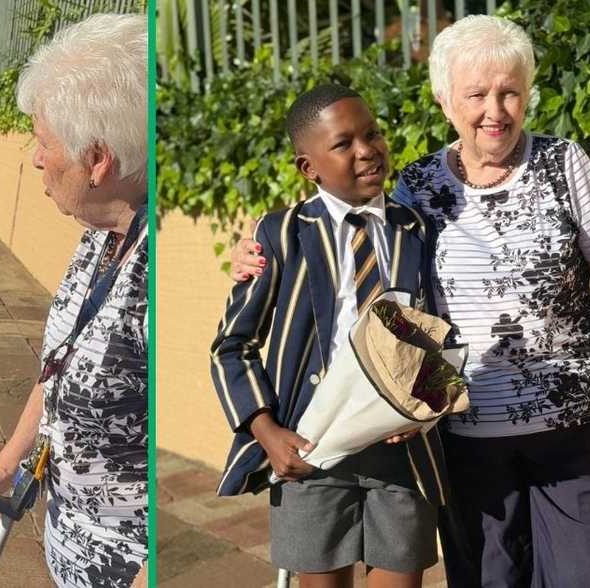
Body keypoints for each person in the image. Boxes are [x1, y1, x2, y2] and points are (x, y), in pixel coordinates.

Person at [230, 15, 590, 587]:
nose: (495, 110)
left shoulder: (564, 164)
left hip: (575, 427)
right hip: (466, 438)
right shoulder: (416, 190)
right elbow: (355, 249)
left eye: (510, 92)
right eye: (476, 94)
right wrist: (258, 245)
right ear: (444, 100)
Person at [212, 84, 447, 588]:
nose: (367, 150)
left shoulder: (417, 230)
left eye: (373, 133)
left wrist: (426, 407)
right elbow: (232, 346)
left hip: (400, 450)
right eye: (343, 144)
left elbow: (440, 331)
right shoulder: (279, 233)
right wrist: (266, 432)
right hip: (310, 447)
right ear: (308, 166)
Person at [0, 13, 149, 588]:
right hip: (68, 543)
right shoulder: (102, 235)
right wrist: (3, 468)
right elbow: (58, 366)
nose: (35, 158)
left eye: (43, 142)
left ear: (98, 159)